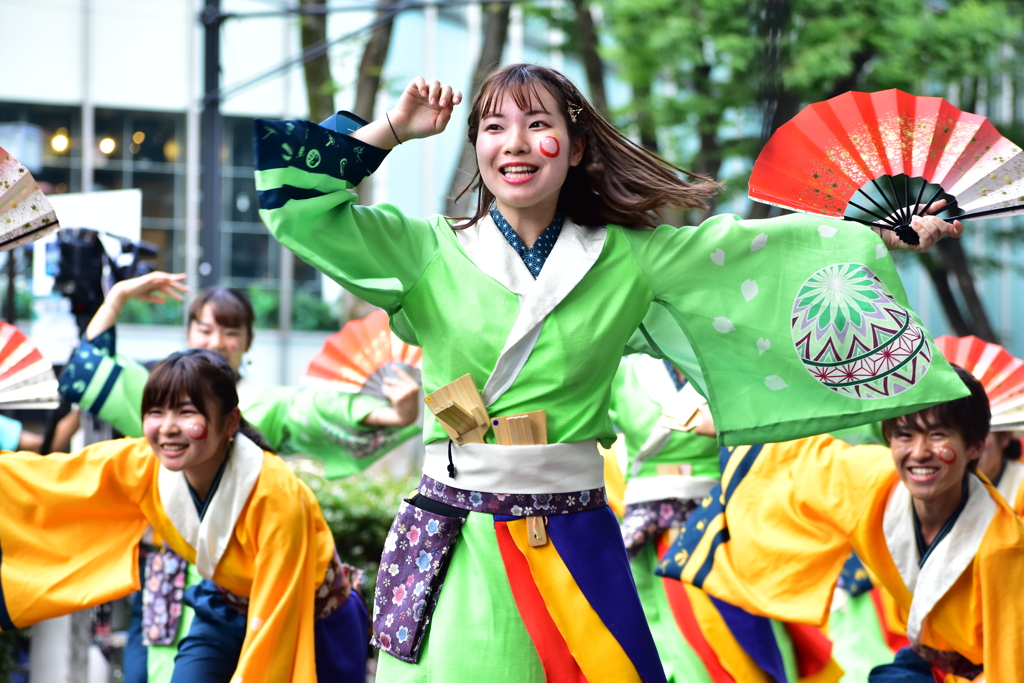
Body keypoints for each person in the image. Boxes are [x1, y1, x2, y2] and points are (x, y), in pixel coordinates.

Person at [254, 63, 965, 681]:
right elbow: (296, 208)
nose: (516, 145)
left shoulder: (632, 255)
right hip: (462, 539)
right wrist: (390, 126)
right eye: (494, 128)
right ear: (474, 146)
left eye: (538, 125)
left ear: (578, 146)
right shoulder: (425, 250)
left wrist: (882, 236)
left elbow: (757, 257)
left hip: (577, 537)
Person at [58, 277, 420, 682]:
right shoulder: (162, 397)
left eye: (231, 332)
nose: (216, 341)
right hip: (191, 576)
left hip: (272, 579)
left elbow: (318, 408)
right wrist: (118, 297)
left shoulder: (271, 433)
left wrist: (395, 414)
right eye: (205, 329)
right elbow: (90, 370)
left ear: (248, 341)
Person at [0, 349, 360, 682]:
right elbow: (59, 481)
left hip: (308, 619)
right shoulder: (146, 465)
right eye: (156, 412)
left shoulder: (275, 493)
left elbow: (277, 615)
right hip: (225, 602)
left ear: (230, 421)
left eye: (186, 412)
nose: (167, 427)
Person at [660, 366, 1024, 681]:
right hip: (922, 663)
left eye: (938, 434)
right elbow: (799, 459)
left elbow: (1011, 663)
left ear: (976, 445)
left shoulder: (1004, 549)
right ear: (887, 439)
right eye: (905, 434)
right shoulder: (874, 482)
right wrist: (735, 423)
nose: (918, 452)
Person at [610, 354, 842, 683]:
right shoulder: (621, 371)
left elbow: (776, 427)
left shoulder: (726, 362)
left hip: (720, 526)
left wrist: (723, 424)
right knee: (663, 637)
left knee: (736, 639)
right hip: (647, 535)